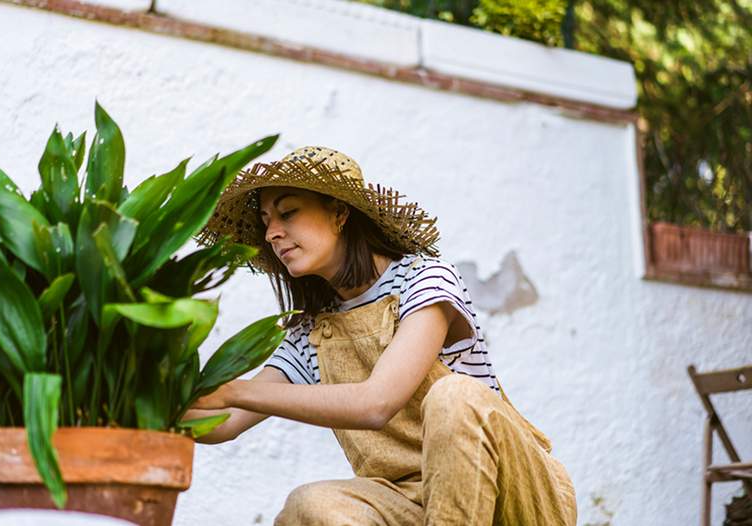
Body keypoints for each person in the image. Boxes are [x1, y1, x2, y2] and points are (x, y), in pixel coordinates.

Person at [188, 146, 577, 525]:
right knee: (311, 505)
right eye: (266, 221)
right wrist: (142, 406)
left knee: (454, 396)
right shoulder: (310, 333)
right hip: (410, 505)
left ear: (339, 213)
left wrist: (232, 388)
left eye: (288, 213)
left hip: (515, 497)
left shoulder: (422, 279)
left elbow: (377, 402)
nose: (272, 233)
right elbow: (224, 422)